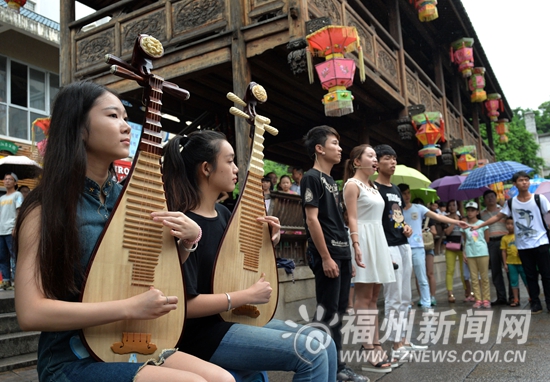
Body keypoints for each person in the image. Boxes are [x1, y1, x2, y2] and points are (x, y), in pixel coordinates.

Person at [14, 82, 234, 382]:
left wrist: (187, 242)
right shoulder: (46, 208)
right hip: (72, 355)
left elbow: (149, 269)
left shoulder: (130, 198)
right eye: (112, 116)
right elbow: (30, 313)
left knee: (224, 379)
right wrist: (130, 307)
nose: (126, 126)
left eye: (124, 116)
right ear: (78, 128)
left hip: (138, 341)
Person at [162, 130, 338, 381]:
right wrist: (245, 296)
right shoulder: (183, 223)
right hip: (202, 334)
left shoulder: (224, 214)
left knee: (324, 341)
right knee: (313, 351)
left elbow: (234, 266)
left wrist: (269, 241)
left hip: (232, 320)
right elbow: (183, 306)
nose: (236, 169)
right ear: (206, 168)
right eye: (229, 160)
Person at [300, 125, 367, 381]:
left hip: (341, 253)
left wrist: (347, 257)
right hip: (327, 255)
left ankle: (337, 365)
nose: (340, 148)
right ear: (319, 148)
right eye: (334, 143)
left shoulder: (332, 181)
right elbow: (312, 220)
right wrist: (326, 257)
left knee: (339, 311)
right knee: (328, 312)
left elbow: (338, 222)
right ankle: (330, 368)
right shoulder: (311, 177)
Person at [372, 144, 431, 362]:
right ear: (377, 163)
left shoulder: (396, 190)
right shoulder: (373, 189)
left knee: (406, 296)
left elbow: (397, 217)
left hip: (403, 245)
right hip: (387, 247)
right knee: (393, 296)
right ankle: (396, 344)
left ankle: (404, 340)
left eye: (395, 158)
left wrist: (405, 226)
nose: (393, 162)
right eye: (388, 158)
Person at [343, 144, 394, 373]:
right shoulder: (352, 185)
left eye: (376, 157)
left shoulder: (372, 186)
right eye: (370, 156)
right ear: (356, 162)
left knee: (374, 296)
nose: (375, 160)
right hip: (362, 237)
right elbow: (351, 218)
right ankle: (368, 345)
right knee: (362, 297)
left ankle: (375, 342)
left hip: (377, 238)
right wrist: (355, 244)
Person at [473, 171, 550, 314]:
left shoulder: (539, 199)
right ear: (515, 184)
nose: (524, 182)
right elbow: (498, 217)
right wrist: (479, 226)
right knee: (530, 276)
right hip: (523, 245)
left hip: (541, 242)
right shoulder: (511, 202)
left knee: (547, 274)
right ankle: (536, 303)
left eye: (526, 180)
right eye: (521, 180)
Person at [398, 184, 469, 310]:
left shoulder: (419, 208)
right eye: (404, 193)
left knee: (422, 276)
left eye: (408, 193)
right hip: (402, 247)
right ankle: (405, 302)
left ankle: (426, 301)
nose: (407, 196)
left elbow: (438, 216)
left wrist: (456, 222)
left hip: (418, 247)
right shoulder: (396, 212)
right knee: (403, 277)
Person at [480, 190, 511, 305]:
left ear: (496, 197)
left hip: (505, 240)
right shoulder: (482, 214)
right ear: (484, 200)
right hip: (491, 243)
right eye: (487, 197)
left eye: (492, 196)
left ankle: (513, 297)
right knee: (496, 271)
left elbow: (511, 222)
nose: (490, 199)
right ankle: (501, 297)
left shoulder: (504, 210)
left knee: (509, 270)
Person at [461, 201, 491, 309]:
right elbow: (464, 240)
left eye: (472, 210)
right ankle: (478, 299)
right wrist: (465, 252)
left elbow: (487, 239)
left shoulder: (482, 224)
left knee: (484, 277)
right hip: (470, 253)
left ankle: (486, 299)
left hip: (482, 252)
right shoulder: (464, 225)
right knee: (473, 277)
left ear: (477, 211)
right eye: (468, 210)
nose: (470, 213)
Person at [0, 173, 23, 289]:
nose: (7, 181)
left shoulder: (18, 195)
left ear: (15, 183)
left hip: (11, 230)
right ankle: (6, 280)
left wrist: (16, 227)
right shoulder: (1, 198)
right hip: (1, 231)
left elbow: (19, 211)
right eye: (6, 179)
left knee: (14, 255)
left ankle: (17, 281)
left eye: (10, 179)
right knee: (2, 257)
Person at [501, 217, 529, 307]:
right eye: (508, 224)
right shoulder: (504, 238)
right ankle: (516, 299)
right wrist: (505, 263)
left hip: (522, 263)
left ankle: (532, 296)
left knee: (526, 280)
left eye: (512, 224)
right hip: (511, 263)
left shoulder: (521, 235)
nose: (510, 226)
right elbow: (503, 251)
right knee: (513, 281)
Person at [443, 200, 466, 303]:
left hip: (462, 246)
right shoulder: (445, 218)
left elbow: (465, 232)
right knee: (450, 270)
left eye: (454, 205)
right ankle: (450, 293)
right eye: (450, 205)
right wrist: (454, 222)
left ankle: (467, 291)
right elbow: (447, 232)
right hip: (450, 246)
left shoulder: (462, 218)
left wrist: (459, 220)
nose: (452, 207)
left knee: (463, 270)